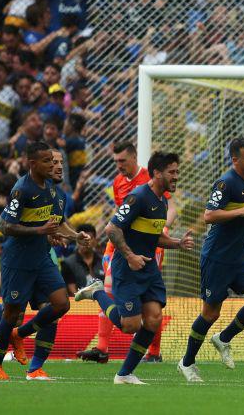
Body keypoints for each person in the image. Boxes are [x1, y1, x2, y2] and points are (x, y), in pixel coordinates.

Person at [74, 151, 194, 384]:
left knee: (153, 319)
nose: (176, 176)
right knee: (130, 326)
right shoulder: (138, 196)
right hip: (127, 268)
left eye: (177, 171)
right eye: (172, 172)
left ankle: (125, 374)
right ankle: (97, 291)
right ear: (157, 173)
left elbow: (154, 236)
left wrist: (177, 243)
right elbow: (111, 229)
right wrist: (129, 256)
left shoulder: (162, 200)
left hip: (148, 269)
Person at [0, 141, 91, 381]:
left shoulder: (52, 190)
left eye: (55, 161)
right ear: (33, 164)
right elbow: (2, 225)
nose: (53, 165)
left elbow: (56, 223)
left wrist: (76, 236)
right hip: (18, 260)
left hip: (41, 258)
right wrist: (39, 231)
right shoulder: (22, 189)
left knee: (61, 304)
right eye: (48, 161)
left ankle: (21, 336)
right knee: (11, 315)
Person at [177, 137, 244, 382]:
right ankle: (187, 363)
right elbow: (209, 215)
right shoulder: (225, 182)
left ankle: (224, 338)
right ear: (235, 160)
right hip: (217, 258)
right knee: (210, 314)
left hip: (240, 257)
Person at [76, 142, 149, 364]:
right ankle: (102, 348)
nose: (118, 166)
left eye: (123, 161)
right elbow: (120, 217)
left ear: (135, 157)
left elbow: (166, 207)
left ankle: (152, 351)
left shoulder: (149, 179)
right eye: (115, 161)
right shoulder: (117, 183)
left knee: (148, 297)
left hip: (146, 246)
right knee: (109, 291)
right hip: (118, 245)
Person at [61, 224, 103, 295]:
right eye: (81, 239)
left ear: (95, 240)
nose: (85, 242)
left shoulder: (103, 260)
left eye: (88, 238)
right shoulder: (67, 263)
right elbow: (72, 291)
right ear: (76, 240)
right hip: (79, 304)